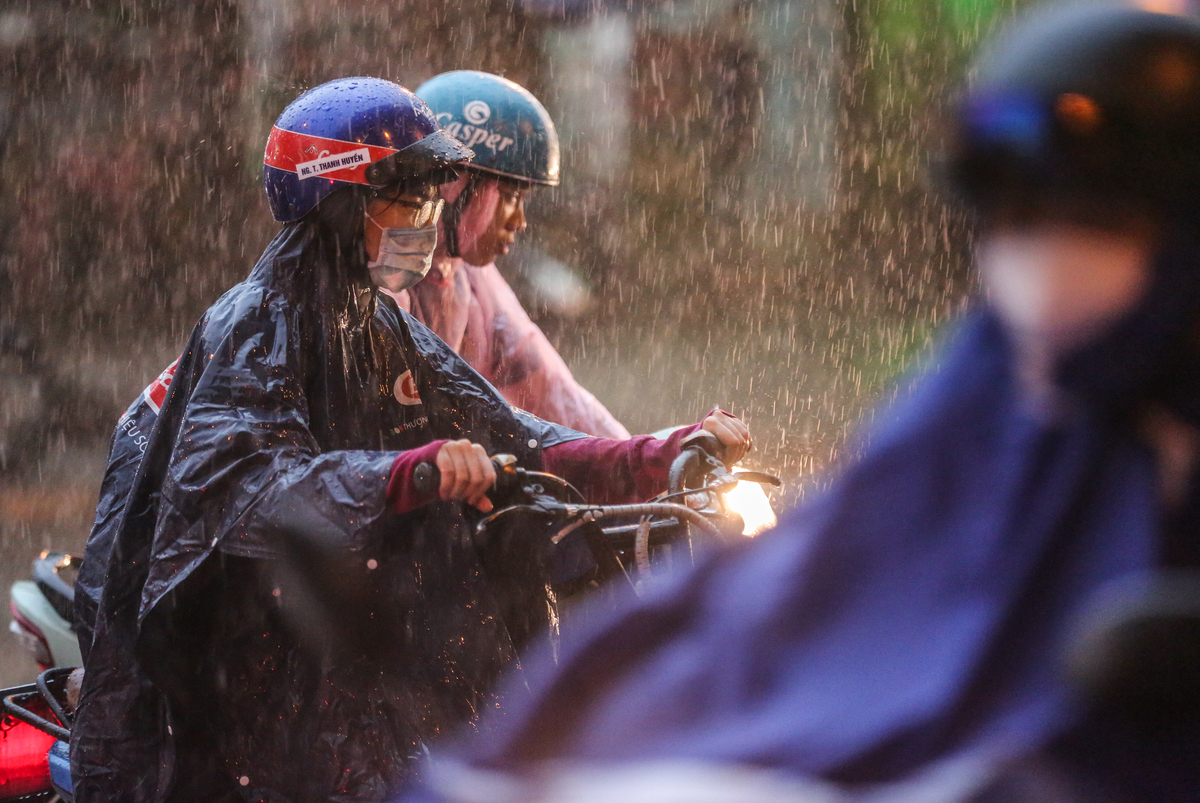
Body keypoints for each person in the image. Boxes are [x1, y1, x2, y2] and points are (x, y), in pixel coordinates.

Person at [401, 5, 1200, 802]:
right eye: (1014, 216)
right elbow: (802, 574)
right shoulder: (990, 380)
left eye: (1089, 218)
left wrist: (657, 453)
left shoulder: (1052, 392)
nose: (1039, 249)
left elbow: (548, 409)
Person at [70, 76, 750, 803]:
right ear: (340, 203)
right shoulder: (257, 322)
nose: (426, 218)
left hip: (323, 615)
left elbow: (510, 432)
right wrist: (404, 474)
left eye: (431, 198)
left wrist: (657, 454)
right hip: (226, 636)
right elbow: (249, 488)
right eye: (407, 197)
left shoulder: (376, 317)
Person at [391, 70, 630, 440]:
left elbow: (556, 396)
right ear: (453, 185)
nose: (519, 222)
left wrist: (650, 456)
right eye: (509, 196)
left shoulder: (468, 279)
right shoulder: (381, 280)